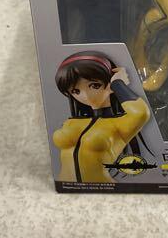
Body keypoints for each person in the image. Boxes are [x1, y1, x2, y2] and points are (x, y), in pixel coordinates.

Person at [52, 51, 150, 183]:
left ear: (109, 83)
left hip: (102, 189)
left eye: (95, 85)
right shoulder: (71, 122)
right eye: (76, 91)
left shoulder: (120, 123)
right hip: (66, 188)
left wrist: (118, 83)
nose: (86, 96)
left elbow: (141, 113)